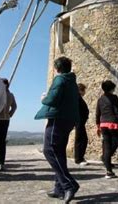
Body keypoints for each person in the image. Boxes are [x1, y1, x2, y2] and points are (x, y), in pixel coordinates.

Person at [35, 56, 80, 203]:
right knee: (59, 152)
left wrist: (44, 98)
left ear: (56, 69)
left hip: (58, 119)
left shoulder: (60, 79)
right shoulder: (72, 82)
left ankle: (69, 184)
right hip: (69, 119)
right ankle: (59, 188)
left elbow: (52, 99)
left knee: (49, 150)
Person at [74, 83, 89, 165]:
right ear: (80, 90)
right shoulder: (77, 98)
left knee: (82, 139)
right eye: (84, 90)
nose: (85, 92)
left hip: (80, 121)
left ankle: (80, 157)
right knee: (80, 140)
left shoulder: (78, 98)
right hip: (79, 121)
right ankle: (78, 159)